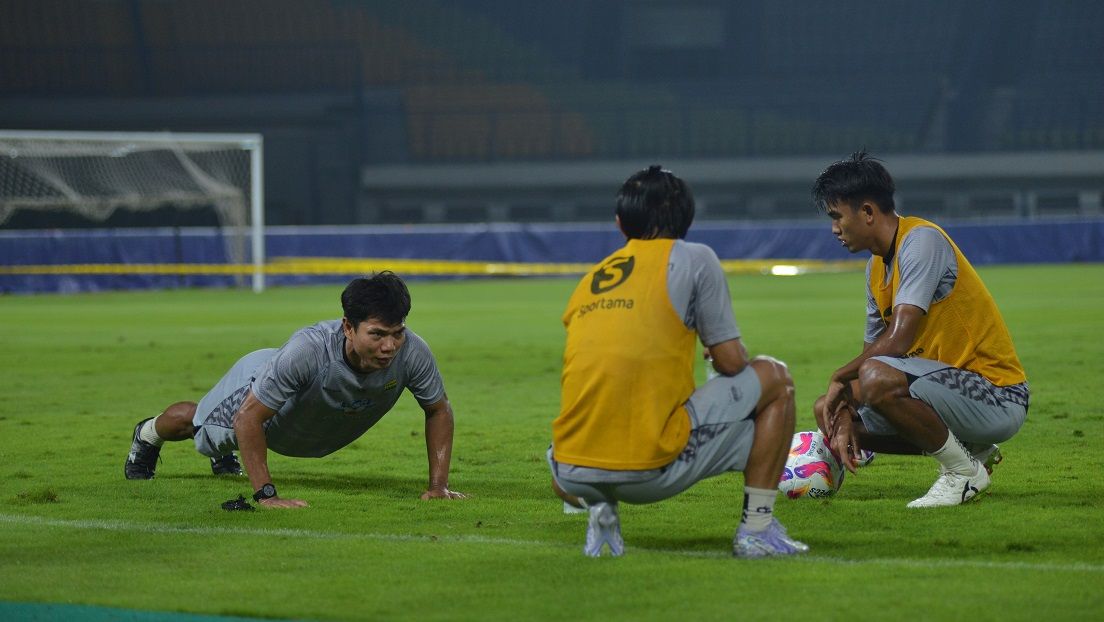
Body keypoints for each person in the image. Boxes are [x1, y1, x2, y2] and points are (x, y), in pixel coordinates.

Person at [548, 165, 807, 558]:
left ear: (621, 224)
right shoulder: (696, 257)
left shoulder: (592, 277)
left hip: (567, 473)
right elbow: (732, 362)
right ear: (687, 218)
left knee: (606, 398)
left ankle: (602, 516)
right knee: (776, 379)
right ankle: (757, 529)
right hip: (647, 474)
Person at [124, 271, 465, 506]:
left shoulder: (414, 351)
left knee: (232, 433)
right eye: (377, 334)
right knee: (196, 425)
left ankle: (225, 454)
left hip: (299, 418)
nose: (390, 346)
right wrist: (267, 495)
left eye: (397, 333)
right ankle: (148, 433)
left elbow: (438, 409)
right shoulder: (309, 350)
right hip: (257, 383)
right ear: (348, 327)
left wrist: (439, 488)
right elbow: (247, 419)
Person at [812, 151, 1029, 508]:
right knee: (828, 410)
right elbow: (873, 354)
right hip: (946, 392)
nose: (834, 228)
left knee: (874, 378)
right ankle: (972, 450)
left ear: (867, 212)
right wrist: (845, 410)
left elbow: (896, 343)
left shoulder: (922, 241)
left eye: (837, 217)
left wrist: (840, 376)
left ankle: (962, 472)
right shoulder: (876, 269)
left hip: (997, 394)